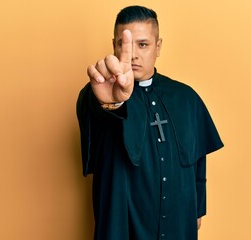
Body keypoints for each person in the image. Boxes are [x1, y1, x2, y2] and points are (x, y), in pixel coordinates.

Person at [77, 5, 224, 240]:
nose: (133, 54)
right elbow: (94, 111)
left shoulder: (186, 98)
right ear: (114, 46)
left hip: (178, 224)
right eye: (123, 44)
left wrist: (198, 209)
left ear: (158, 46)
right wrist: (111, 103)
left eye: (143, 44)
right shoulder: (101, 93)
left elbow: (198, 161)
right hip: (123, 227)